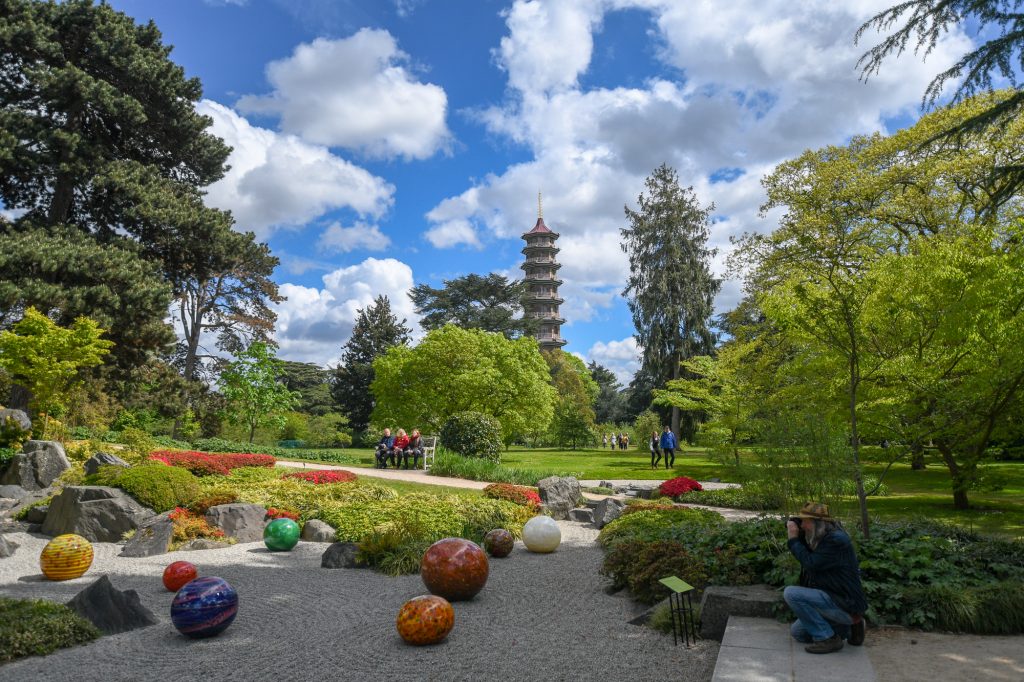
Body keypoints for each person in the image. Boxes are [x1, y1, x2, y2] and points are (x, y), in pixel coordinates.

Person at [784, 502, 868, 654]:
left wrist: (793, 540)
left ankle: (827, 638)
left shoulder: (836, 541)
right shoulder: (823, 536)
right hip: (833, 597)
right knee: (799, 633)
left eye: (804, 521)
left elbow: (811, 563)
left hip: (845, 602)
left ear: (817, 523)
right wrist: (795, 529)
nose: (802, 526)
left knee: (791, 593)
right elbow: (810, 553)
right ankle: (851, 628)